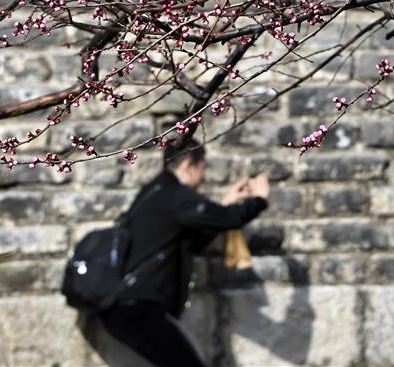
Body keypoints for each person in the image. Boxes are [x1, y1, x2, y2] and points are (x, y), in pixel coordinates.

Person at [99, 141, 270, 367]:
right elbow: (229, 219)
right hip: (137, 309)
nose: (204, 176)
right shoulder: (176, 194)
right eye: (203, 168)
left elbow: (193, 242)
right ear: (190, 164)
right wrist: (259, 199)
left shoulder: (156, 191)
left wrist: (226, 203)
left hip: (126, 307)